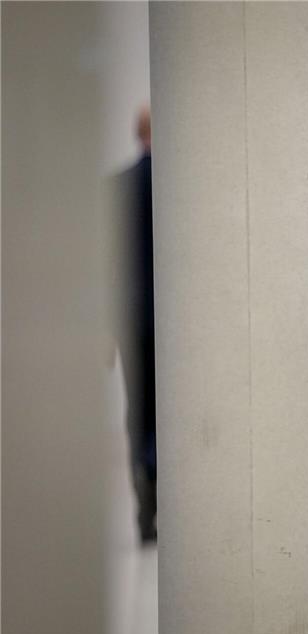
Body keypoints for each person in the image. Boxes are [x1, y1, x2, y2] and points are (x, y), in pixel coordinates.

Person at [112, 105, 157, 543]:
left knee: (139, 412)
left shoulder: (117, 187)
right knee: (173, 412)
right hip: (178, 327)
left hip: (131, 322)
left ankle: (146, 513)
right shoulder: (180, 190)